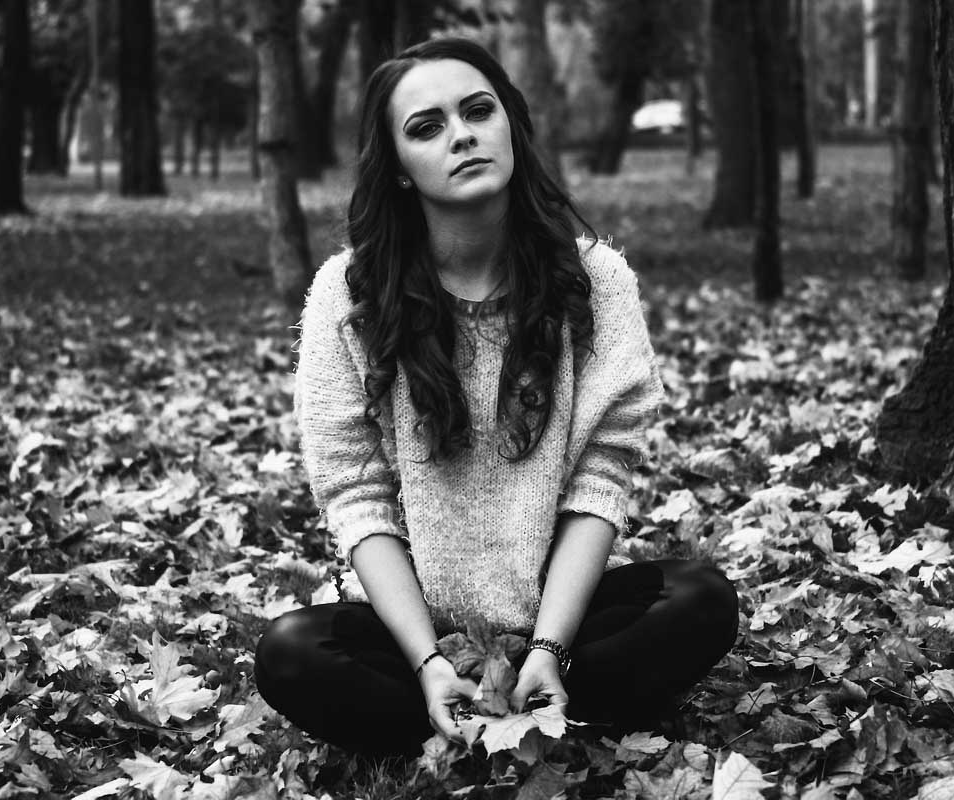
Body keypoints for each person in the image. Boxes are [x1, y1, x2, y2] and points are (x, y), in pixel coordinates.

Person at [253, 37, 739, 759]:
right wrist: (429, 662)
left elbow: (600, 483)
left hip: (567, 626)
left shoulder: (597, 283)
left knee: (701, 597)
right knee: (289, 653)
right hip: (413, 634)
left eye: (478, 111)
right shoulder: (346, 297)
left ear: (510, 124)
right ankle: (466, 712)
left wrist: (548, 645)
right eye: (427, 127)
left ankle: (540, 697)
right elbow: (356, 500)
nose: (462, 135)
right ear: (401, 172)